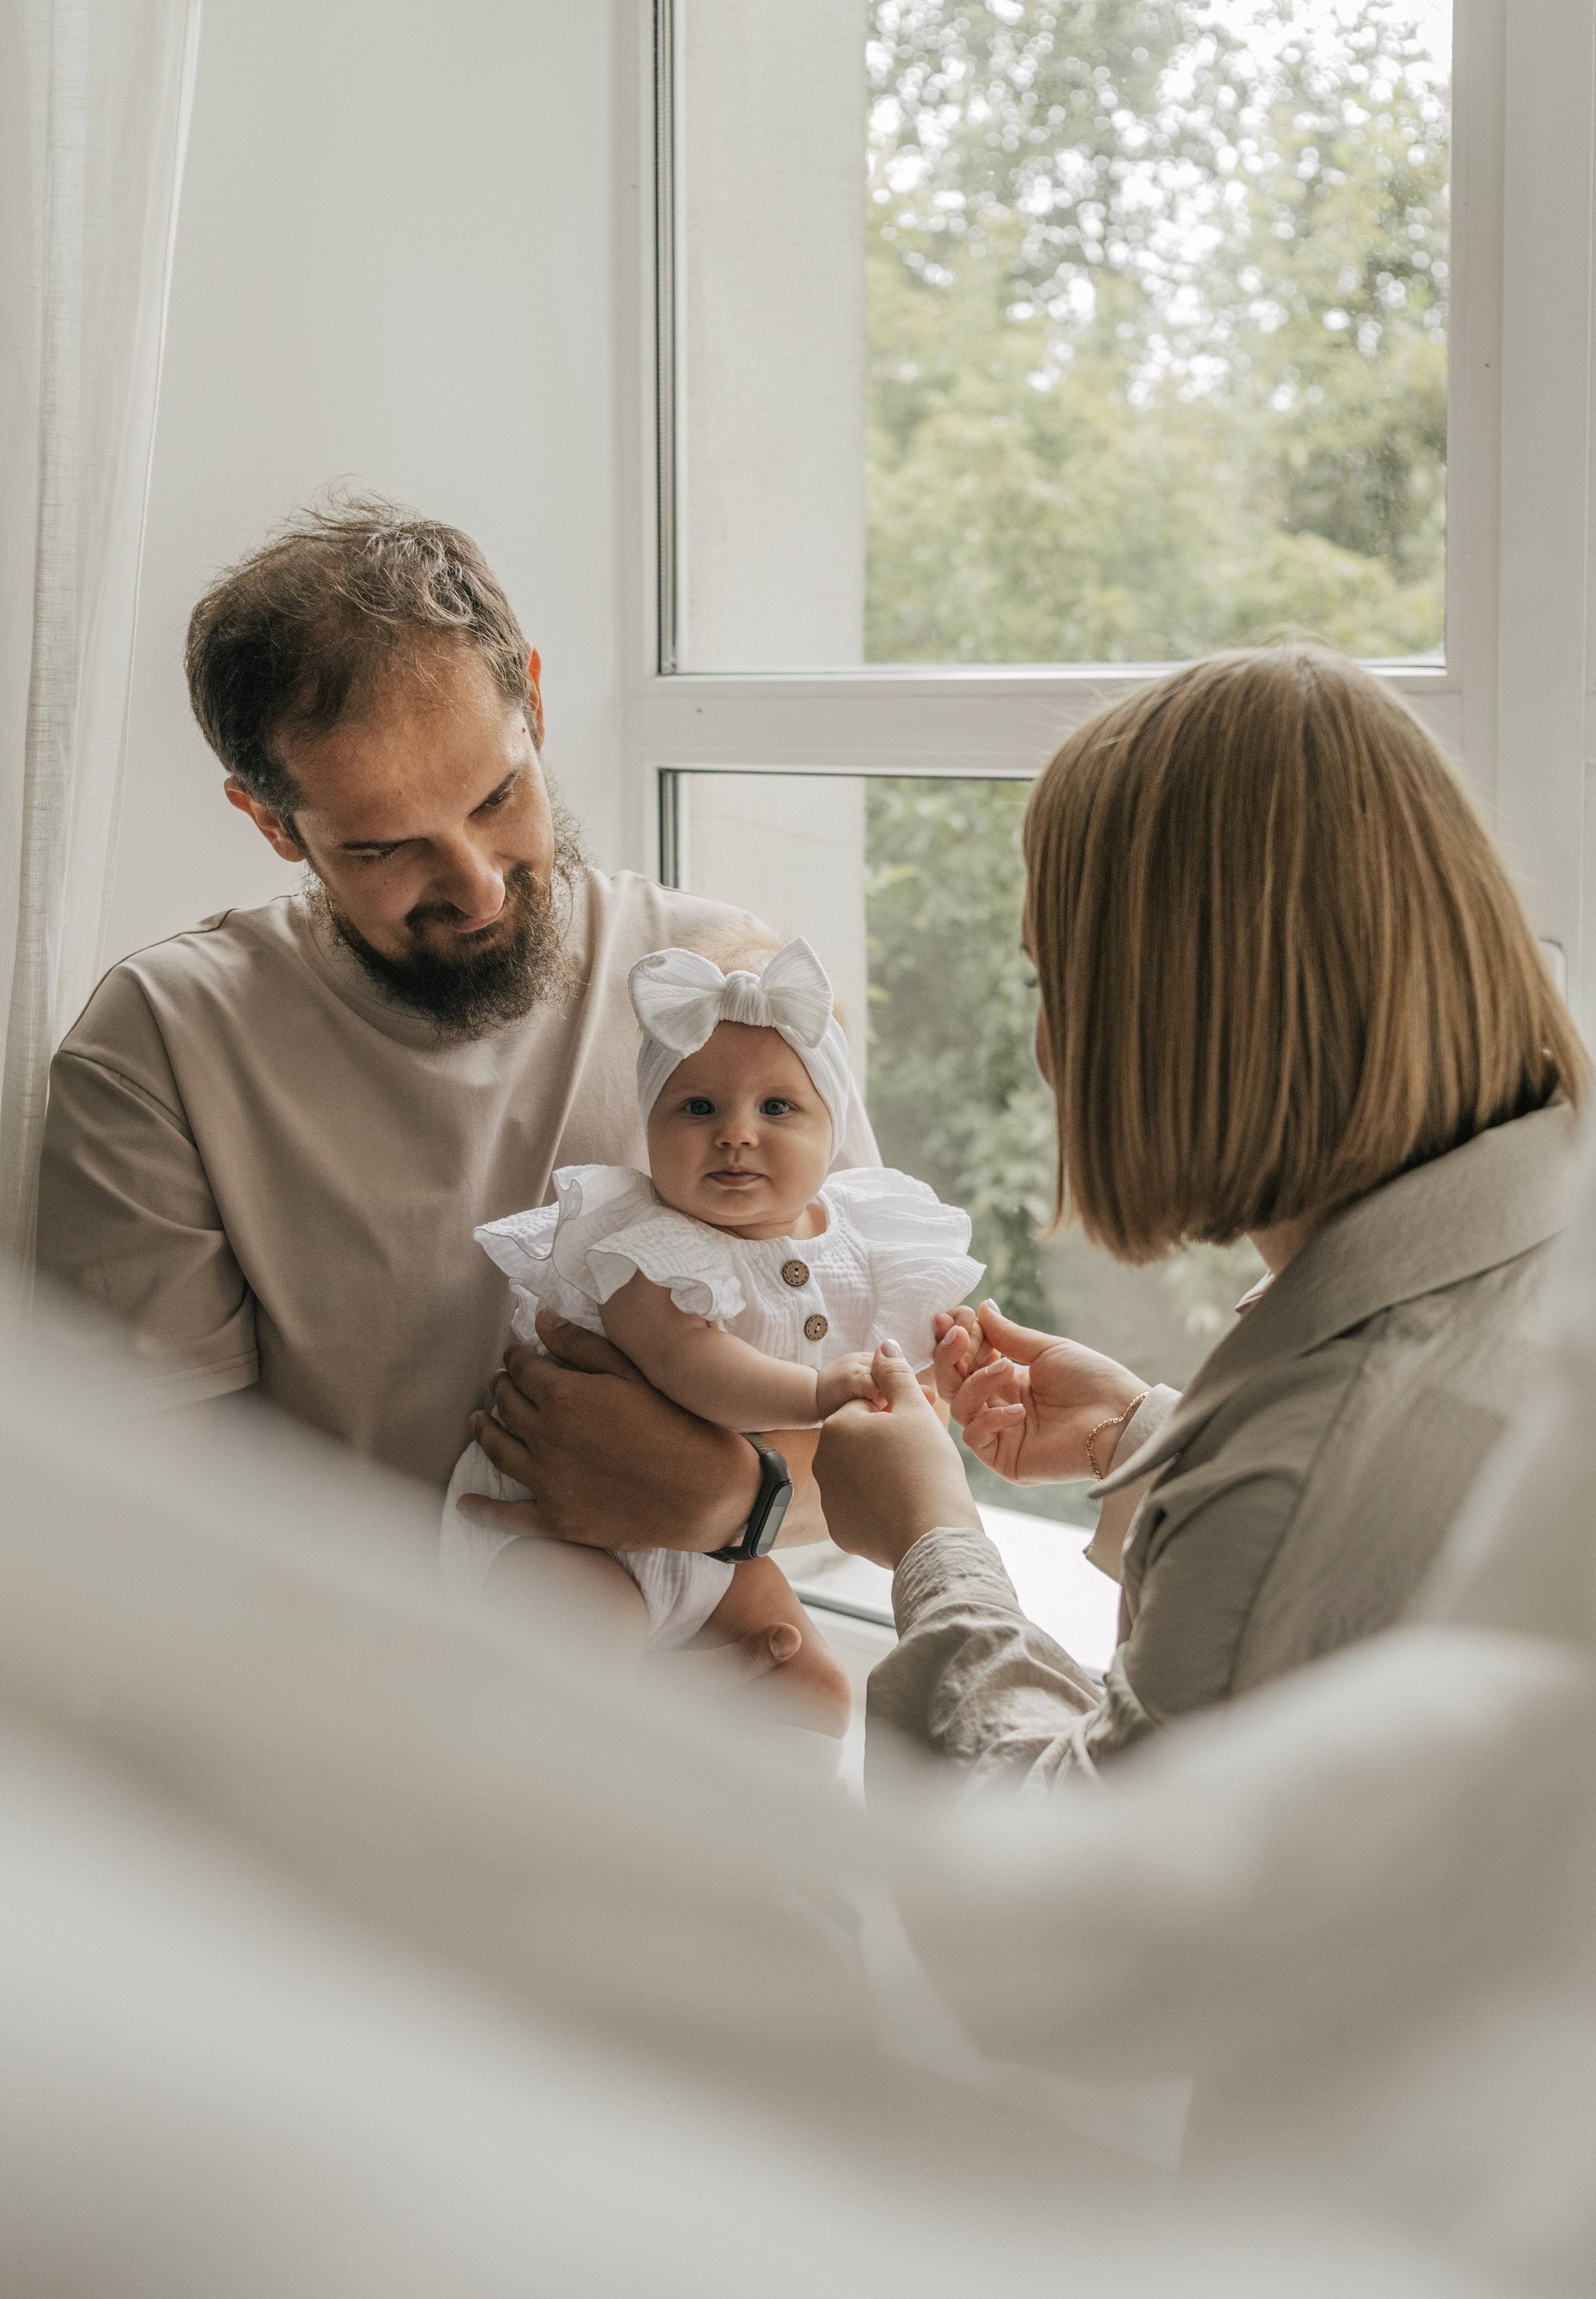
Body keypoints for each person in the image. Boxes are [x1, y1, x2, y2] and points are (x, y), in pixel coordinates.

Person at [36, 497, 879, 1685]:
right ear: (270, 820)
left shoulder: (728, 998)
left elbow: (902, 1452)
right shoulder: (163, 1046)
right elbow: (167, 1553)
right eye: (383, 848)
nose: (476, 886)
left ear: (533, 700)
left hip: (731, 1743)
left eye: (497, 798)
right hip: (375, 1774)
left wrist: (731, 1501)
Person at [812, 645, 1586, 1790]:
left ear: (1163, 1015)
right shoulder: (1532, 1251)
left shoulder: (1302, 1481)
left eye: (1052, 982)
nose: (1041, 1047)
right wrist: (1151, 1441)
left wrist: (934, 1544)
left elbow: (1088, 1916)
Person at [445, 933, 982, 1730]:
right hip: (557, 1530)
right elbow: (690, 1363)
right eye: (697, 1107)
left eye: (776, 1107)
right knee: (586, 1653)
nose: (735, 1132)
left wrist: (955, 1363)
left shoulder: (865, 1242)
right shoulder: (643, 1242)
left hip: (716, 1555)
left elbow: (905, 1385)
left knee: (818, 1686)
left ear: (830, 1124)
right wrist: (815, 1391)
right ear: (651, 1123)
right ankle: (628, 1725)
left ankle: (792, 1852)